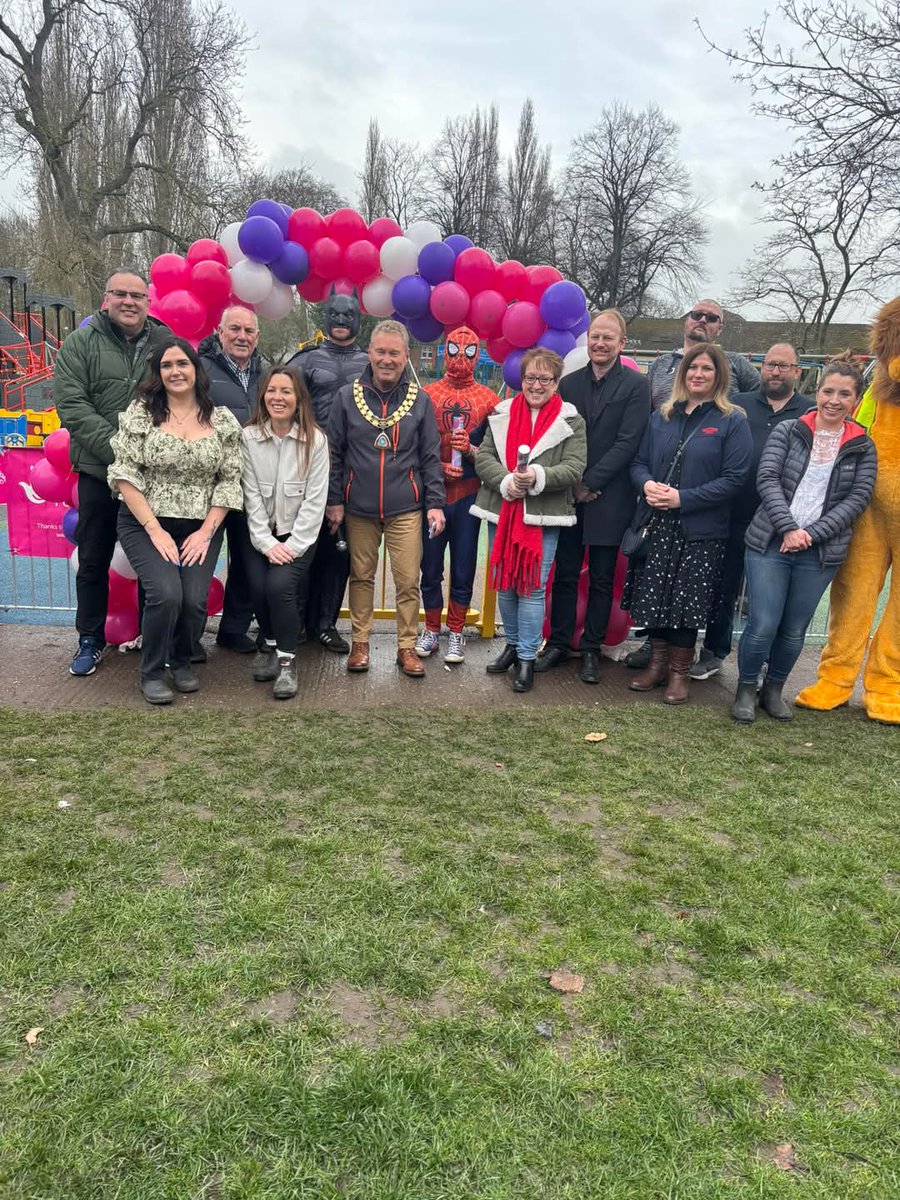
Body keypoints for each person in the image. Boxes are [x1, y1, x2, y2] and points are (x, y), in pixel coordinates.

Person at [732, 356, 876, 723]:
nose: (833, 400)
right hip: (770, 543)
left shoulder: (863, 445)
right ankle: (746, 688)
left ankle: (775, 690)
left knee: (794, 629)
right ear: (817, 391)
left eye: (844, 394)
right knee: (763, 623)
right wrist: (789, 528)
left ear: (855, 400)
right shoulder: (790, 430)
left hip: (819, 552)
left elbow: (857, 499)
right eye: (828, 391)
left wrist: (810, 535)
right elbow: (767, 479)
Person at [109, 338, 243, 704]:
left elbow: (229, 481)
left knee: (194, 599)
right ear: (158, 373)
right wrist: (155, 530)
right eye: (166, 365)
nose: (175, 371)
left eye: (182, 363)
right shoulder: (140, 413)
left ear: (196, 369)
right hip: (145, 523)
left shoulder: (222, 419)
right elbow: (124, 474)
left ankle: (181, 660)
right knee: (166, 595)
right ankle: (151, 672)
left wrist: (206, 532)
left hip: (202, 525)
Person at [54, 268, 170, 676]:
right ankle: (89, 638)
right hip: (98, 471)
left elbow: (182, 397)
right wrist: (122, 450)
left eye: (137, 295)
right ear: (106, 298)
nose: (128, 302)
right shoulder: (81, 342)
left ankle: (151, 637)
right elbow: (72, 405)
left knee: (154, 560)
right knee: (93, 559)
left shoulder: (165, 340)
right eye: (120, 294)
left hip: (153, 476)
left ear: (147, 302)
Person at [625, 343, 752, 704]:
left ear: (719, 376)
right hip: (659, 524)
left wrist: (683, 498)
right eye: (693, 368)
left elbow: (734, 478)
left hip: (701, 531)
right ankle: (657, 665)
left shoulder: (732, 421)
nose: (698, 374)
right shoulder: (663, 416)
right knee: (657, 598)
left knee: (686, 603)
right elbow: (638, 462)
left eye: (706, 369)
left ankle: (680, 673)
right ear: (683, 374)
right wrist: (646, 483)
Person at [796, 297, 900, 726]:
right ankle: (836, 676)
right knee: (853, 592)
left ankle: (889, 682)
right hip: (869, 507)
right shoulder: (877, 391)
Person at [535, 310, 650, 684]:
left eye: (608, 338)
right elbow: (557, 436)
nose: (599, 344)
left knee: (601, 578)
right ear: (587, 340)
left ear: (622, 343)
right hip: (569, 496)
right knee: (564, 574)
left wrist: (591, 482)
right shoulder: (567, 384)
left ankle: (591, 649)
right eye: (594, 337)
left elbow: (628, 442)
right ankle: (558, 642)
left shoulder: (636, 386)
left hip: (609, 497)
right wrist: (573, 484)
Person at [325, 319, 445, 677]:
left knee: (407, 580)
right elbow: (334, 453)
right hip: (358, 509)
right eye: (381, 351)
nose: (387, 359)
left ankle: (406, 648)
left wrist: (435, 502)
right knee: (361, 576)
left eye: (394, 353)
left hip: (406, 508)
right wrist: (335, 500)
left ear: (406, 356)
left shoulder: (420, 401)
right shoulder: (346, 397)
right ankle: (360, 643)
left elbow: (430, 456)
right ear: (370, 353)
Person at [692, 344, 814, 681]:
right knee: (723, 587)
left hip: (782, 520)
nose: (775, 371)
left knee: (767, 599)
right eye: (770, 364)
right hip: (732, 512)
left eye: (783, 366)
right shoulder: (739, 404)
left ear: (797, 371)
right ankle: (714, 652)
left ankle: (762, 663)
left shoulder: (810, 411)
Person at [471, 348, 587, 693]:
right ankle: (513, 645)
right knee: (505, 583)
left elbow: (574, 466)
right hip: (502, 508)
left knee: (533, 588)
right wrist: (507, 481)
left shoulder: (571, 421)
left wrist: (535, 476)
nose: (536, 385)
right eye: (530, 378)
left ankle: (526, 658)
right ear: (522, 380)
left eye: (544, 379)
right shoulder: (502, 413)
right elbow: (485, 458)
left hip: (543, 514)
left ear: (556, 382)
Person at [286, 288, 369, 654]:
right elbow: (281, 408)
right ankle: (294, 623)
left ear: (358, 320)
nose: (340, 321)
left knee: (340, 555)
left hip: (355, 472)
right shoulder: (303, 362)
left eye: (347, 315)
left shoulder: (371, 363)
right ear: (324, 317)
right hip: (306, 468)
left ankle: (325, 625)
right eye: (334, 314)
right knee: (300, 549)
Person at [241, 367, 329, 700]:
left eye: (286, 392)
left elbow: (314, 501)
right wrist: (266, 543)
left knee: (279, 587)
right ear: (263, 396)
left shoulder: (315, 441)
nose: (278, 398)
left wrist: (292, 547)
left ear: (298, 399)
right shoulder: (249, 438)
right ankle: (271, 643)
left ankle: (288, 662)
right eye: (272, 391)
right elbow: (250, 495)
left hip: (298, 535)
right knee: (258, 587)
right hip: (260, 533)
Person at [414, 325, 499, 664]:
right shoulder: (426, 395)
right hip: (435, 496)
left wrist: (474, 451)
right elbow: (415, 446)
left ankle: (457, 630)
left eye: (468, 351)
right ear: (442, 350)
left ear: (478, 355)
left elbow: (497, 453)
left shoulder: (491, 401)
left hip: (468, 495)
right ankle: (432, 628)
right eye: (453, 349)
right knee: (430, 566)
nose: (460, 358)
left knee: (464, 567)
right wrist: (436, 467)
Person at [199, 305, 263, 654]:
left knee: (248, 561)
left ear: (257, 337)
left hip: (250, 484)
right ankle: (188, 636)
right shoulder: (201, 369)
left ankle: (234, 629)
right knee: (200, 561)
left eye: (248, 331)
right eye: (234, 329)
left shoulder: (264, 372)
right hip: (208, 485)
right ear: (219, 331)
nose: (241, 336)